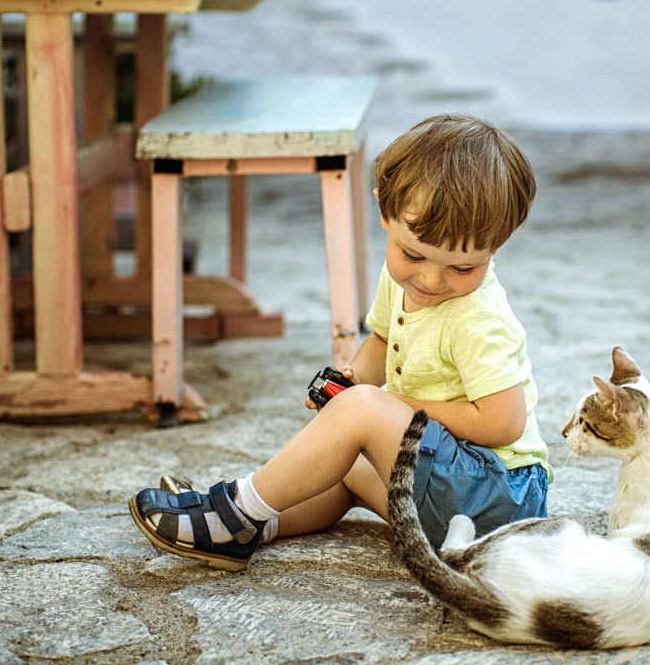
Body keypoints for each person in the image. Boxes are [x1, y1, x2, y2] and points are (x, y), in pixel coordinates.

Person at [129, 114, 553, 570]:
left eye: (463, 268)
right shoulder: (405, 283)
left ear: (496, 247)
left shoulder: (477, 319)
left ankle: (234, 513)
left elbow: (502, 423)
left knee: (364, 411)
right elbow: (383, 339)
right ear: (385, 214)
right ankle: (250, 525)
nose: (432, 279)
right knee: (345, 464)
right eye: (413, 255)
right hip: (447, 494)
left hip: (497, 502)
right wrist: (353, 379)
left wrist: (382, 405)